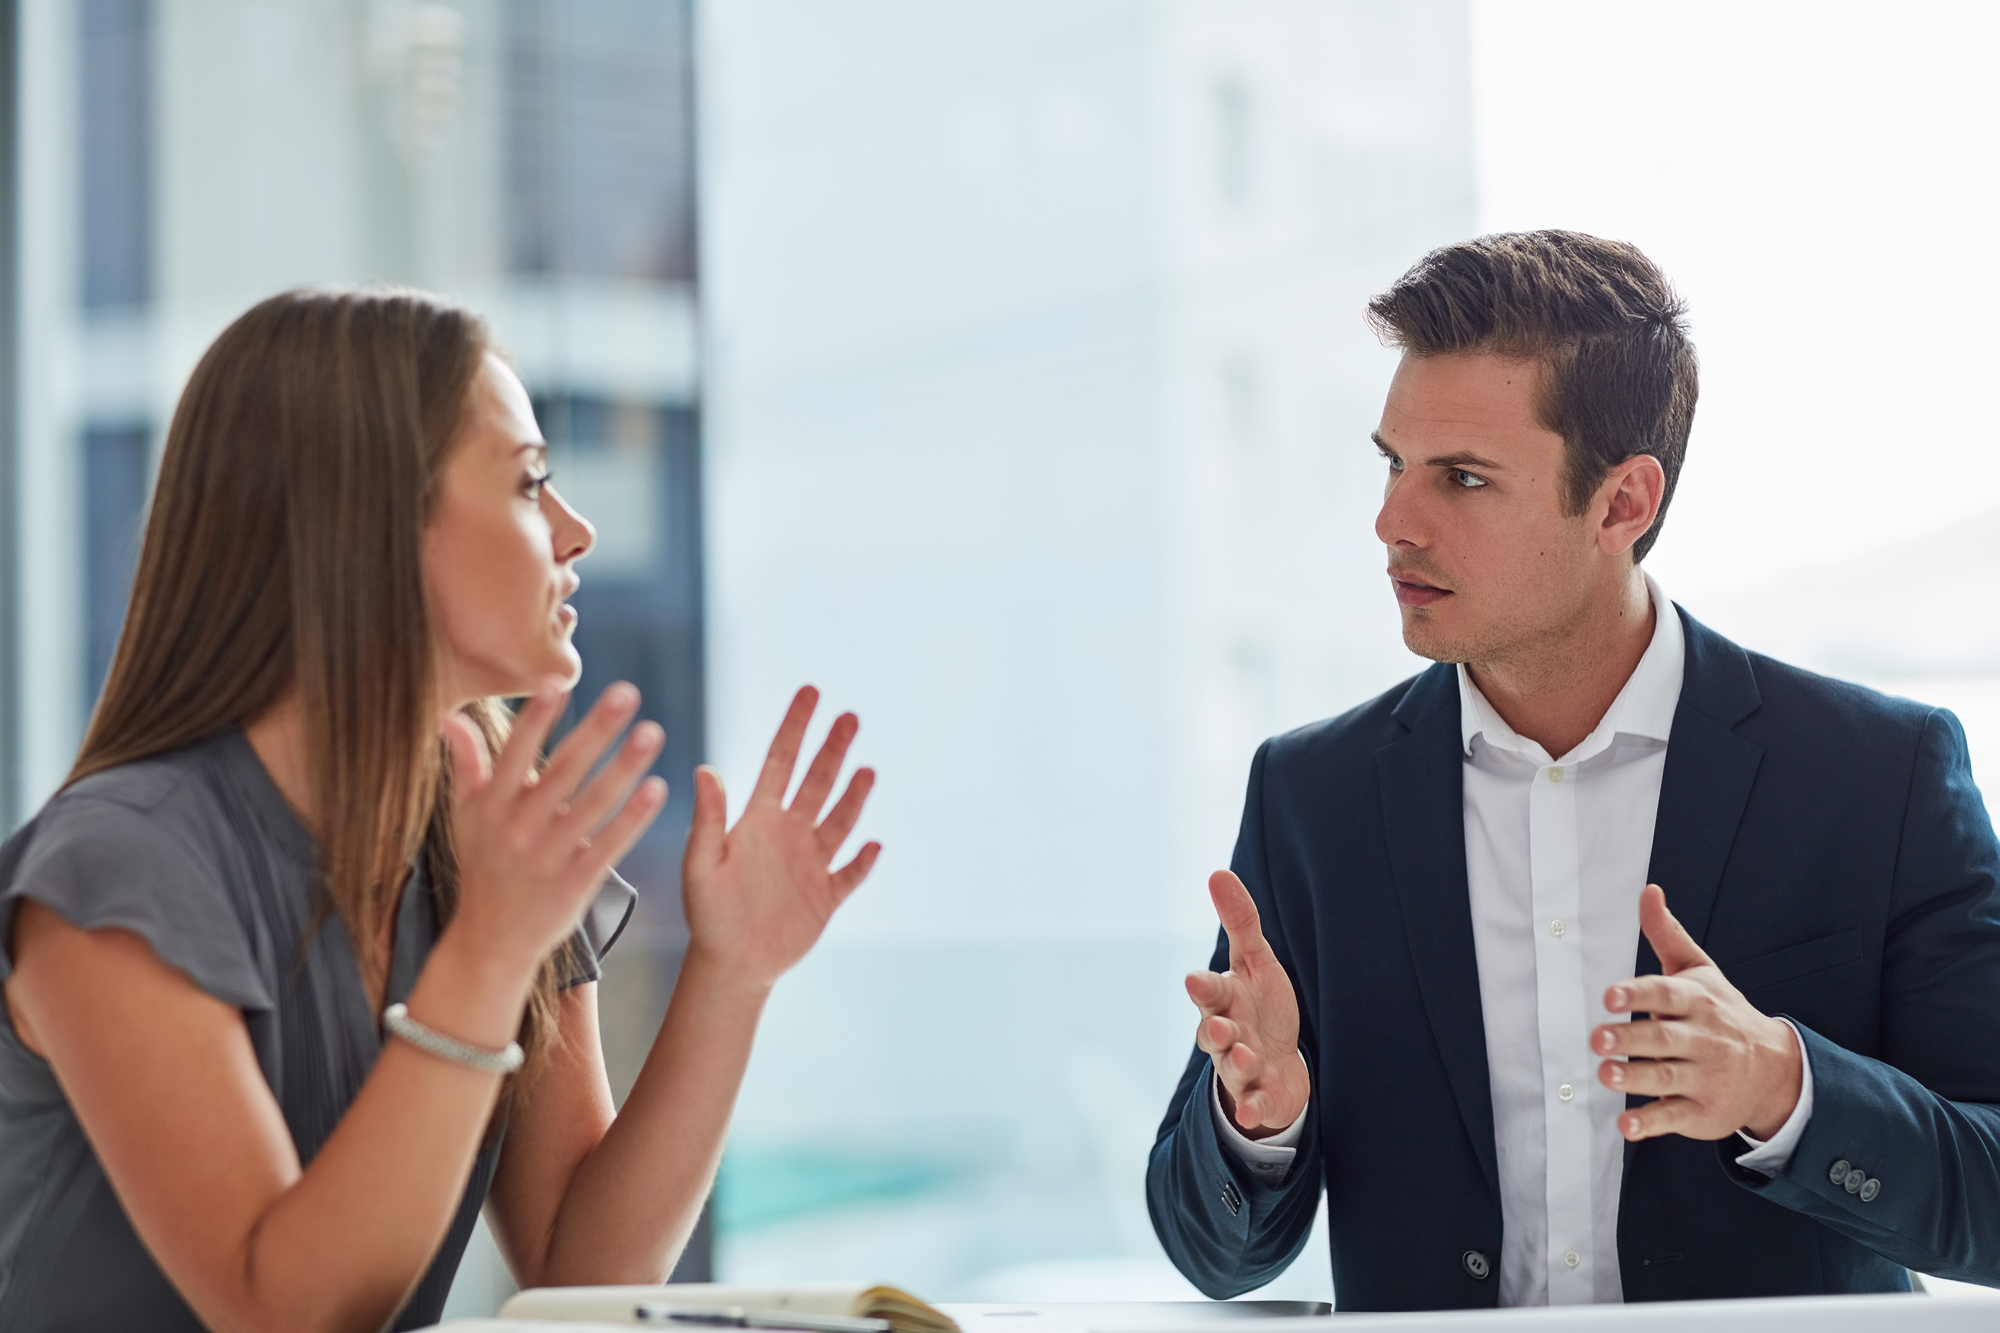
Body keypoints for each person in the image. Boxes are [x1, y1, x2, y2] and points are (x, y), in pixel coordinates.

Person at [1146, 231, 2000, 1310]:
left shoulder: (1874, 777)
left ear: (1620, 505)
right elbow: (1211, 1253)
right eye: (1391, 464)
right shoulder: (1311, 798)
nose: (1391, 522)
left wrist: (1785, 1086)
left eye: (1461, 478)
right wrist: (1256, 1126)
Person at [0, 287, 881, 1333]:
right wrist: (486, 954)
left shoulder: (480, 834)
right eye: (530, 483)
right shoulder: (117, 867)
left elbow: (579, 1271)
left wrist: (730, 975)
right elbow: (284, 1314)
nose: (577, 529)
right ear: (368, 525)